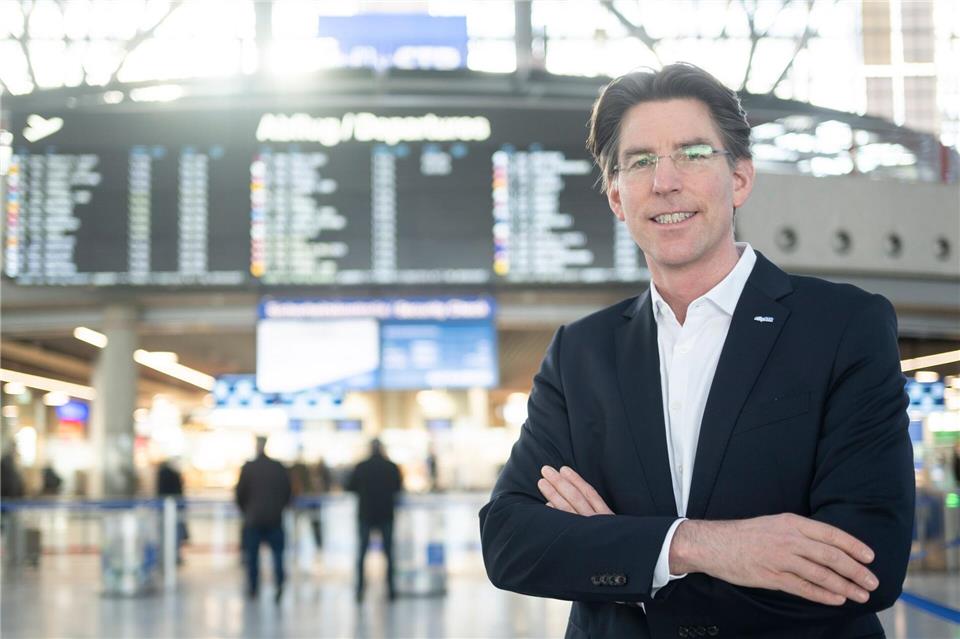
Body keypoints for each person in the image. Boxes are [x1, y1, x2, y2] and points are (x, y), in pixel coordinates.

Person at [479, 63, 914, 639]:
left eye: (692, 153)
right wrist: (697, 545)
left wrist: (623, 558)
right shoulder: (580, 353)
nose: (665, 182)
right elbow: (510, 542)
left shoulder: (841, 327)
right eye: (639, 162)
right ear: (616, 196)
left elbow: (866, 565)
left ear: (739, 178)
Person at [236, 436, 292, 603]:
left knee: (252, 556)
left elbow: (240, 494)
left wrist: (246, 510)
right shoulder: (278, 468)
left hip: (253, 519)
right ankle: (279, 583)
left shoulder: (248, 468)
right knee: (278, 555)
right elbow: (287, 492)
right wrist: (279, 507)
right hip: (275, 518)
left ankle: (253, 588)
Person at [347, 438, 402, 602]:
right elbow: (398, 487)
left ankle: (359, 590)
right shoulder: (391, 467)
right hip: (386, 514)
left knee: (362, 553)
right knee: (389, 554)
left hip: (366, 514)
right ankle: (391, 589)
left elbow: (350, 486)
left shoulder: (361, 467)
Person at [156, 458, 187, 564]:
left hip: (167, 508)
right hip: (173, 508)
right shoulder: (171, 474)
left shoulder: (162, 473)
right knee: (173, 533)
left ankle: (168, 556)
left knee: (169, 533)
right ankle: (171, 556)